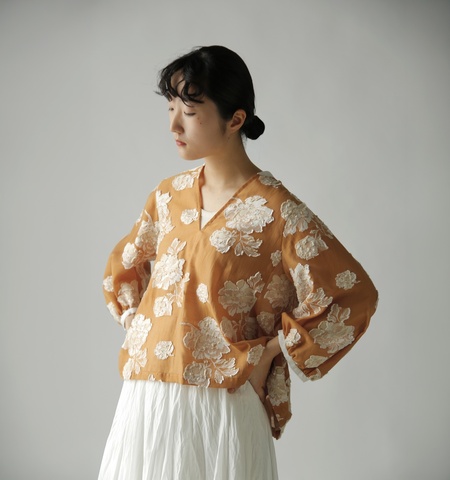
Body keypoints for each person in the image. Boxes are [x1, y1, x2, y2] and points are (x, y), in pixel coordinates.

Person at [98, 45, 378, 480]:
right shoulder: (168, 196)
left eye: (189, 112)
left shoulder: (277, 210)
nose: (173, 125)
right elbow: (125, 269)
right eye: (171, 108)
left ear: (235, 120)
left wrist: (274, 350)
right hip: (148, 398)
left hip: (223, 402)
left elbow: (352, 293)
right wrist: (143, 328)